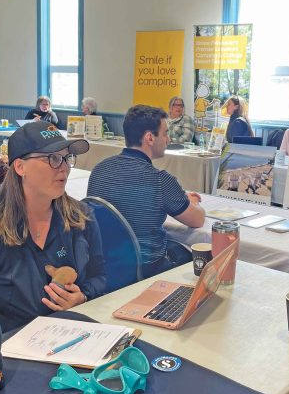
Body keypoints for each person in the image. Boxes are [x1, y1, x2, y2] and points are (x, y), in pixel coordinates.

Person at [0, 122, 105, 332]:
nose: (64, 167)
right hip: (6, 347)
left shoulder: (81, 218)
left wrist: (83, 296)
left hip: (71, 338)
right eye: (53, 158)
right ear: (20, 167)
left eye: (67, 158)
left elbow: (100, 276)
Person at [88, 105, 205, 278]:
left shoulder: (99, 170)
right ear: (150, 137)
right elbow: (197, 220)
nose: (168, 139)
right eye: (165, 133)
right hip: (146, 270)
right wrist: (193, 202)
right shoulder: (160, 180)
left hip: (103, 267)